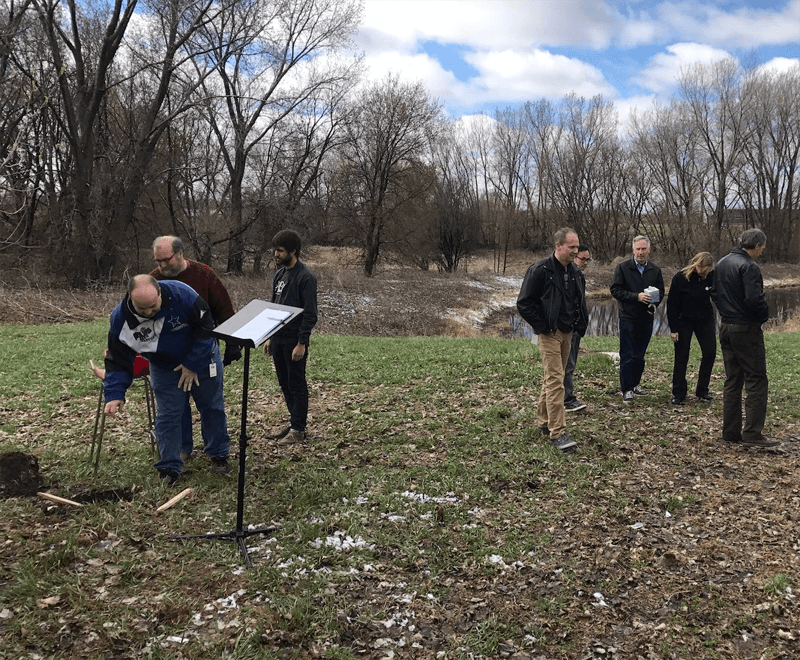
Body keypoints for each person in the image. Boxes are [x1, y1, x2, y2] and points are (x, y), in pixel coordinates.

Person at [103, 275, 232, 484]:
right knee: (168, 415)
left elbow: (206, 330)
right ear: (130, 299)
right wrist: (115, 393)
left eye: (153, 307)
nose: (148, 313)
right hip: (164, 366)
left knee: (212, 407)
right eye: (141, 308)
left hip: (202, 357)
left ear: (160, 294)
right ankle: (170, 467)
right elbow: (118, 359)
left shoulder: (184, 295)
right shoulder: (121, 319)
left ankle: (218, 454)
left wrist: (192, 365)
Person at [150, 236, 240, 460]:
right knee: (176, 408)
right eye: (158, 261)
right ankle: (181, 450)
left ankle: (218, 453)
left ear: (180, 254)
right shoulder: (153, 281)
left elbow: (224, 309)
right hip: (171, 359)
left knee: (212, 406)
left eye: (166, 260)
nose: (162, 266)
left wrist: (232, 343)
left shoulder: (204, 274)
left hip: (204, 353)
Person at [517, 228, 588, 451]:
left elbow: (580, 301)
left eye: (577, 247)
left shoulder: (575, 272)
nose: (576, 251)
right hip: (549, 334)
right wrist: (543, 326)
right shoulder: (540, 270)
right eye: (572, 247)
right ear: (558, 246)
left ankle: (543, 422)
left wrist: (579, 325)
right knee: (557, 381)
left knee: (552, 377)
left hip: (569, 333)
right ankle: (558, 433)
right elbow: (524, 303)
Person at [712, 228, 777, 448]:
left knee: (733, 379)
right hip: (746, 328)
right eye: (762, 248)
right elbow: (754, 299)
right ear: (757, 246)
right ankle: (752, 433)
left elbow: (713, 293)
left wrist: (725, 312)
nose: (761, 252)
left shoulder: (721, 263)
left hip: (726, 326)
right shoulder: (749, 266)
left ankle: (730, 432)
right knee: (756, 379)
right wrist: (763, 316)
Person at [264, 230, 318, 446]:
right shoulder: (279, 275)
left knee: (297, 383)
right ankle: (294, 421)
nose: (276, 254)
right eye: (275, 250)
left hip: (294, 340)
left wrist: (301, 343)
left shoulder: (306, 277)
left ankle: (298, 429)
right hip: (278, 339)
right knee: (284, 383)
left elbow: (310, 313)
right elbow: (273, 307)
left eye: (280, 250)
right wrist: (269, 336)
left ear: (293, 251)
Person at [610, 235, 665, 403]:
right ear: (632, 250)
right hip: (628, 316)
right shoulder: (623, 268)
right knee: (627, 354)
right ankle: (626, 389)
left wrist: (654, 300)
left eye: (643, 249)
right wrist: (636, 297)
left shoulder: (655, 270)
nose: (640, 252)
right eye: (638, 249)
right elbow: (615, 290)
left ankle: (634, 384)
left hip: (647, 317)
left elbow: (661, 291)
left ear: (648, 250)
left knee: (640, 355)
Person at [667, 252, 717, 406]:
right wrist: (673, 329)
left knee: (710, 352)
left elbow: (717, 295)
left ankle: (702, 390)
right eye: (701, 268)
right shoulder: (680, 278)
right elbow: (672, 305)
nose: (703, 271)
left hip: (705, 320)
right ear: (696, 264)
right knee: (682, 356)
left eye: (706, 269)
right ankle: (679, 393)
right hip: (684, 321)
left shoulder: (712, 276)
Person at [563, 245, 591, 412]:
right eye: (582, 259)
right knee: (568, 363)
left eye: (588, 259)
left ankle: (566, 396)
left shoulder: (577, 274)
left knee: (570, 363)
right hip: (569, 326)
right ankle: (567, 399)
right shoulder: (570, 274)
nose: (585, 262)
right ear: (574, 257)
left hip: (576, 326)